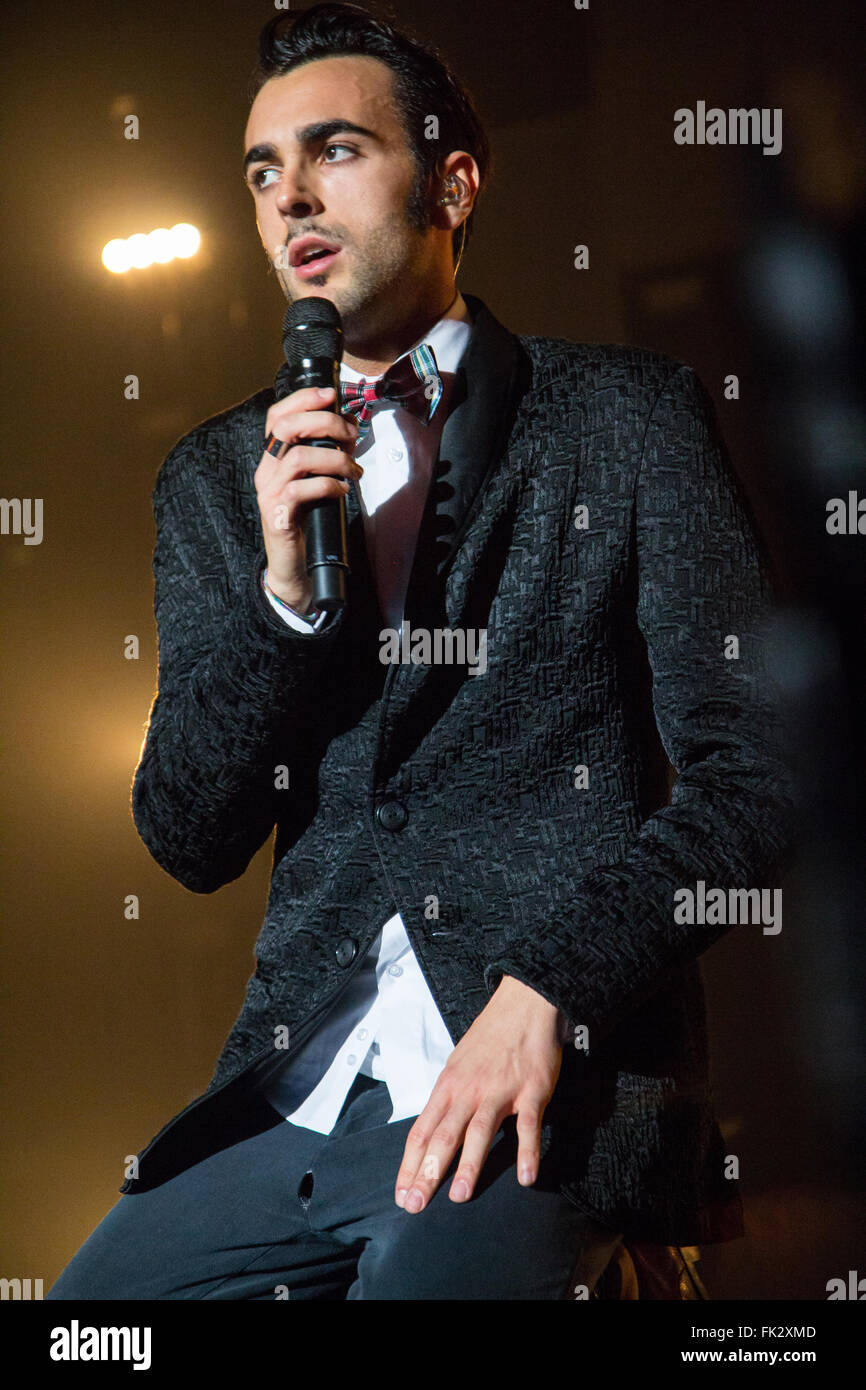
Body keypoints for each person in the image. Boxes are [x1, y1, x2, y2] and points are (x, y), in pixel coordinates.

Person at [47, 3, 793, 1301]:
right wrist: (284, 607)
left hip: (542, 1090)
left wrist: (551, 988)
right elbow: (184, 830)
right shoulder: (219, 477)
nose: (291, 200)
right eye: (263, 171)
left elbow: (759, 770)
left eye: (333, 151)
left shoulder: (623, 418)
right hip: (301, 1088)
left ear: (452, 183)